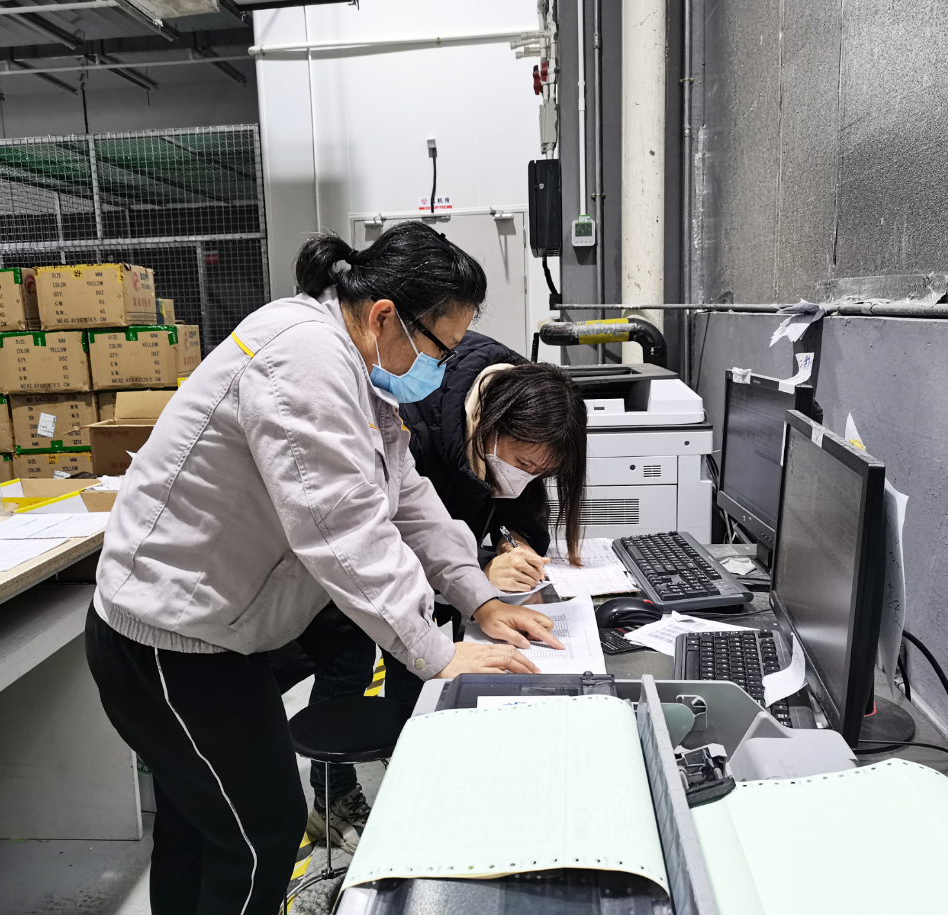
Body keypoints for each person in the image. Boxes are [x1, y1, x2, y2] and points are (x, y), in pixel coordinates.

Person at [84, 221, 564, 915]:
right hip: (165, 638)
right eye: (442, 348)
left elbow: (407, 499)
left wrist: (478, 596)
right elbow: (343, 528)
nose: (442, 367)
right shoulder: (303, 359)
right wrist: (436, 651)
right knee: (262, 831)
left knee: (202, 823)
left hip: (210, 633)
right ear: (385, 316)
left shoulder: (357, 370)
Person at [269, 332, 588, 853]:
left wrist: (503, 558)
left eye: (541, 473)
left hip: (426, 577)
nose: (527, 478)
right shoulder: (413, 419)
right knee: (346, 671)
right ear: (489, 428)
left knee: (416, 684)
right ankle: (332, 801)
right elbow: (382, 542)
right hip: (350, 575)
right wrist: (477, 576)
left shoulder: (525, 405)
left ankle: (411, 788)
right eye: (524, 465)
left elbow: (487, 516)